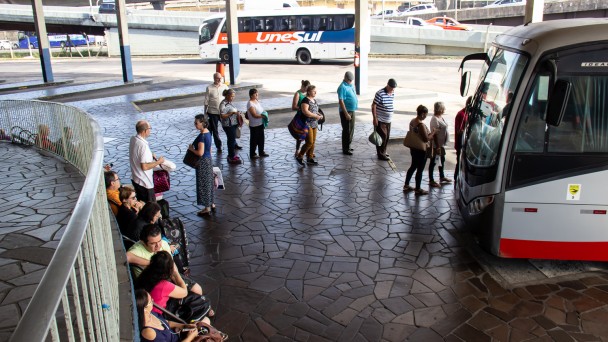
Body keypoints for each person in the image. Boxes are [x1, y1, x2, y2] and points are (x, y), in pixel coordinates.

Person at [126, 224, 203, 296]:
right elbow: (126, 257)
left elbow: (172, 267)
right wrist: (152, 263)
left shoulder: (164, 244)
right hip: (154, 286)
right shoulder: (137, 250)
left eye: (159, 241)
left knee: (197, 289)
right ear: (143, 242)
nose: (158, 245)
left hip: (168, 276)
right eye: (153, 243)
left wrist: (177, 277)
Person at [135, 251, 188, 316]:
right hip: (157, 314)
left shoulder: (146, 273)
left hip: (144, 308)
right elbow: (184, 292)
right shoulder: (163, 285)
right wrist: (176, 273)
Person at [135, 289, 200, 342]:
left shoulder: (150, 313)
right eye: (150, 301)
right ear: (144, 309)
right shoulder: (148, 331)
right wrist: (191, 337)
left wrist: (184, 326)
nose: (153, 300)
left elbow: (167, 323)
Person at [129, 120, 165, 203]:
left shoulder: (133, 139)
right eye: (150, 128)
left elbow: (137, 154)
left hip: (136, 179)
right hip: (145, 183)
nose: (150, 130)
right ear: (145, 131)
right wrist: (159, 161)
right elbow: (144, 167)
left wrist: (149, 155)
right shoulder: (143, 146)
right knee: (150, 209)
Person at [403, 105, 436, 196]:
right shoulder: (420, 124)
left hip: (413, 148)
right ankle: (418, 188)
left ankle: (406, 184)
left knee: (413, 166)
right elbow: (426, 138)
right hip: (421, 150)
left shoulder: (413, 121)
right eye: (425, 114)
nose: (426, 116)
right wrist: (433, 132)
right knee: (420, 169)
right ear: (422, 114)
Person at [188, 114, 216, 216]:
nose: (195, 124)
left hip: (203, 162)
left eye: (196, 123)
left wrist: (192, 149)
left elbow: (200, 152)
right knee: (209, 183)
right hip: (208, 160)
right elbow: (210, 149)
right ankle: (212, 203)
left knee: (203, 184)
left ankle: (206, 208)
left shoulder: (202, 136)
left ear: (203, 123)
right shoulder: (208, 133)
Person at [296, 85, 323, 166]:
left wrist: (319, 114)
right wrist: (316, 116)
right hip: (307, 124)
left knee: (313, 142)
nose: (315, 92)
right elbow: (305, 112)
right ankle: (300, 156)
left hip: (314, 123)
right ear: (308, 92)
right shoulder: (305, 100)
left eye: (315, 91)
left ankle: (310, 158)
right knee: (309, 142)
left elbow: (315, 110)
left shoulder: (314, 100)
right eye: (314, 91)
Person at [372, 79, 397, 161]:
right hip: (380, 120)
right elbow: (374, 105)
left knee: (387, 137)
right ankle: (380, 154)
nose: (392, 90)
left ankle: (383, 151)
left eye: (394, 88)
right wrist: (375, 118)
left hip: (388, 120)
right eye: (391, 88)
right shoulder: (380, 93)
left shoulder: (392, 93)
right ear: (387, 85)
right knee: (382, 137)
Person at [428, 101, 451, 188]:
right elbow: (435, 133)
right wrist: (437, 146)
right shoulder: (434, 119)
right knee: (433, 161)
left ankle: (442, 176)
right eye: (443, 108)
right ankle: (431, 179)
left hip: (441, 144)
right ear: (439, 109)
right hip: (436, 145)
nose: (444, 109)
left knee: (442, 159)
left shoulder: (440, 117)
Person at [204, 72, 228, 153]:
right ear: (214, 78)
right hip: (212, 112)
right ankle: (219, 146)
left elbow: (229, 97)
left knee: (228, 127)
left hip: (223, 112)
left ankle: (233, 143)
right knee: (215, 130)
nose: (219, 79)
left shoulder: (224, 87)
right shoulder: (209, 88)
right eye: (218, 78)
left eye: (220, 78)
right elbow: (206, 101)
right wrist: (205, 113)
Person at [337, 71, 358, 155]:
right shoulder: (342, 87)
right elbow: (341, 101)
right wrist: (346, 114)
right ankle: (345, 148)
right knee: (346, 130)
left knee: (351, 129)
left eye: (351, 80)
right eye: (349, 80)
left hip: (352, 110)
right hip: (346, 111)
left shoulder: (350, 85)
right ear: (345, 78)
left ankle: (348, 145)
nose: (350, 81)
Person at [219, 88, 242, 164]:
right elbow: (222, 116)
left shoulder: (229, 102)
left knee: (232, 140)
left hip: (233, 124)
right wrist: (231, 113)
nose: (233, 98)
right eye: (232, 96)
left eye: (233, 96)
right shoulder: (223, 104)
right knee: (231, 141)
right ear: (227, 95)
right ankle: (231, 156)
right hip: (228, 125)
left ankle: (232, 155)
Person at [247, 88, 269, 159]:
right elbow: (254, 115)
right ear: (251, 95)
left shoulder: (256, 101)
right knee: (254, 140)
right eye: (255, 94)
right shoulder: (250, 103)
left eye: (257, 93)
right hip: (254, 125)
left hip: (260, 123)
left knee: (261, 139)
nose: (257, 95)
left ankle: (261, 151)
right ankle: (252, 153)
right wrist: (263, 116)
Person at [454, 96, 472, 181]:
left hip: (469, 144)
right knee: (459, 163)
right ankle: (456, 178)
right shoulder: (461, 114)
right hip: (461, 143)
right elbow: (459, 130)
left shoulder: (470, 114)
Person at [291, 80, 310, 157]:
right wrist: (302, 109)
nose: (307, 90)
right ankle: (297, 150)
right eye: (306, 88)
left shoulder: (308, 93)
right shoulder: (298, 94)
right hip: (301, 116)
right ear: (303, 86)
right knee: (300, 134)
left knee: (308, 134)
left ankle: (307, 150)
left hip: (308, 116)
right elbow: (293, 107)